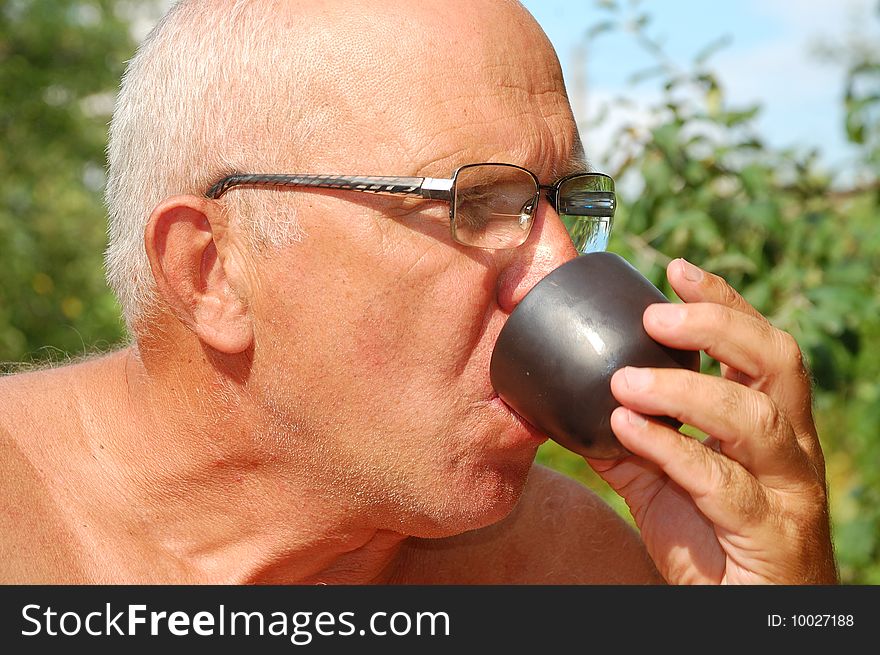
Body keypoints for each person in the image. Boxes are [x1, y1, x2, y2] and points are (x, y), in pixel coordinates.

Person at [0, 0, 837, 584]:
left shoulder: (578, 572)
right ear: (211, 272)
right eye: (477, 203)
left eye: (564, 205)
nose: (558, 271)